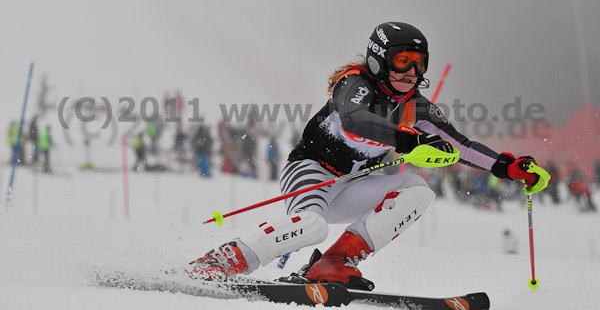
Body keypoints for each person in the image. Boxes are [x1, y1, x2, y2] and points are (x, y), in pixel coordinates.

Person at [186, 22, 549, 289]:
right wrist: (405, 140)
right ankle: (219, 263)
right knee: (311, 226)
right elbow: (355, 120)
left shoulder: (417, 107)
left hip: (353, 186)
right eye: (402, 61)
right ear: (379, 62)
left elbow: (461, 146)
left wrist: (507, 167)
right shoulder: (355, 84)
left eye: (419, 63)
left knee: (419, 189)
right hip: (312, 172)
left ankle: (335, 261)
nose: (412, 72)